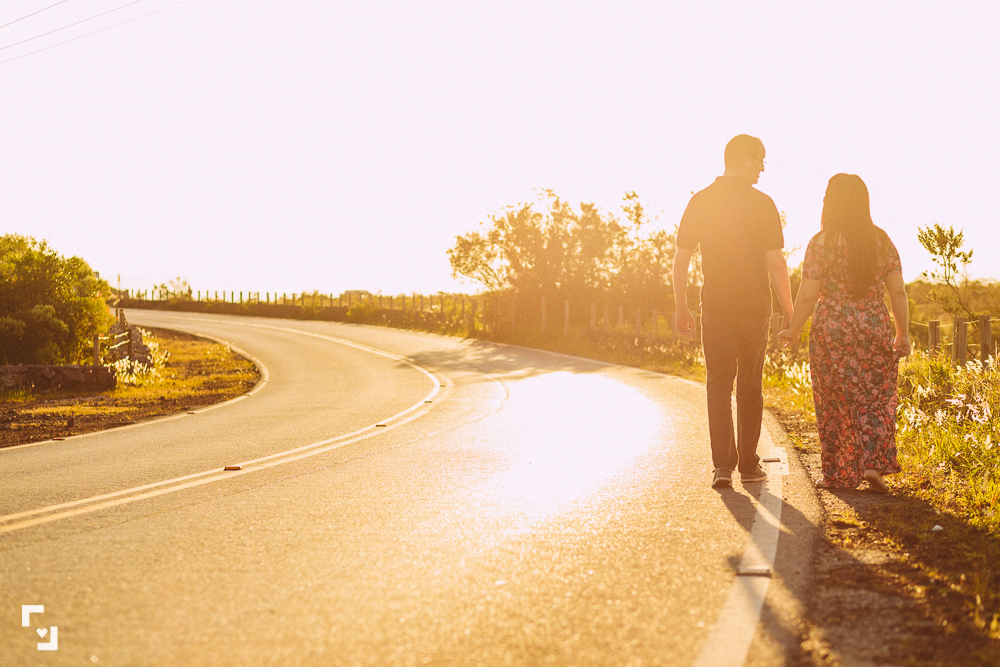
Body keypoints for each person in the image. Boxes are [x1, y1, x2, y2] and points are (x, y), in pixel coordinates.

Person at [673, 135, 793, 489]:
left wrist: (680, 305)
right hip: (755, 308)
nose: (761, 168)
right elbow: (775, 264)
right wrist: (790, 311)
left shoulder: (701, 201)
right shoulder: (762, 204)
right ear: (742, 159)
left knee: (718, 383)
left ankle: (722, 467)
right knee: (750, 386)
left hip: (716, 306)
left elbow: (681, 259)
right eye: (759, 160)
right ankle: (749, 466)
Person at [778, 174, 910, 492]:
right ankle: (872, 464)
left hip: (831, 328)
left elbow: (808, 295)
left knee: (835, 401)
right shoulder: (880, 240)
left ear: (831, 202)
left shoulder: (820, 243)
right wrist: (902, 333)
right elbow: (898, 292)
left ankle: (840, 474)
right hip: (873, 325)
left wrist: (793, 329)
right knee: (875, 398)